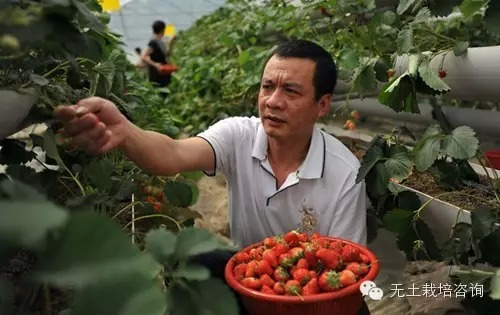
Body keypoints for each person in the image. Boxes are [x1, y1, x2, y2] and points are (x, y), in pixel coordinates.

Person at [53, 39, 369, 315]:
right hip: (253, 280)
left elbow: (345, 269)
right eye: (267, 86)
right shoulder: (238, 135)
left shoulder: (344, 174)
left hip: (311, 299)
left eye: (291, 90)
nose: (273, 101)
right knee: (194, 261)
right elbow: (172, 154)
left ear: (322, 105)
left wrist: (296, 293)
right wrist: (125, 131)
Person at [141, 20, 176, 89]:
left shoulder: (160, 42)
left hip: (163, 74)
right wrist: (155, 64)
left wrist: (171, 42)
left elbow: (167, 54)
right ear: (162, 30)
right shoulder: (153, 42)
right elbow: (143, 56)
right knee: (160, 91)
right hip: (157, 75)